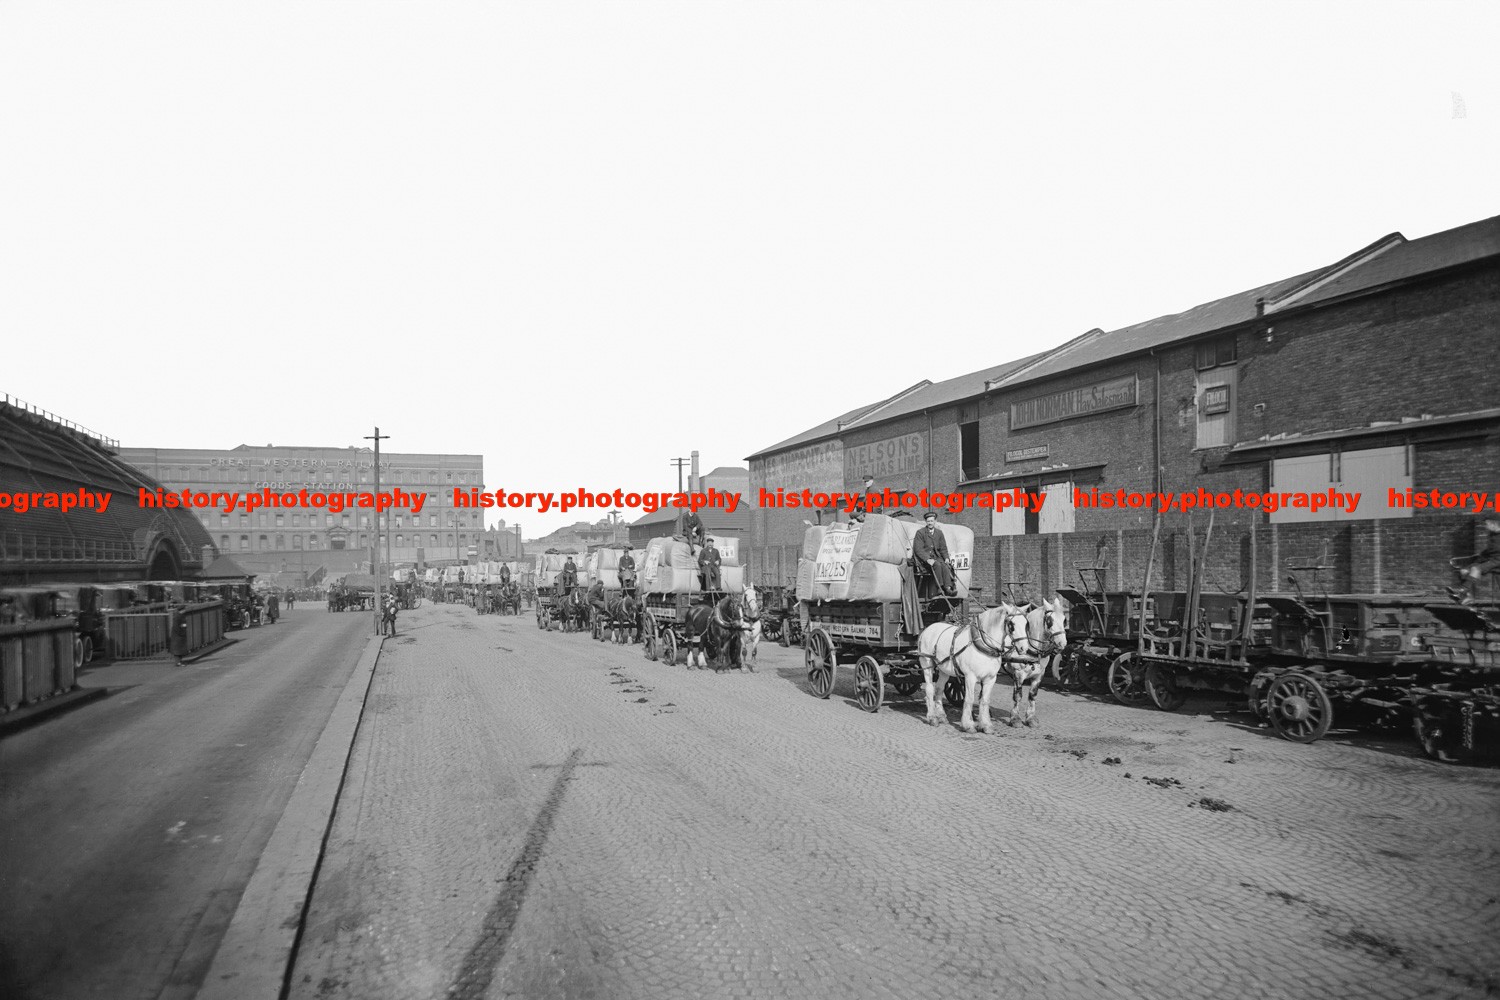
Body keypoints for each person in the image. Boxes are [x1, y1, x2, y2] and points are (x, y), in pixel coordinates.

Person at [1449, 519, 1500, 605]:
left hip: (1498, 561)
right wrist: (1479, 556)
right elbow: (1490, 550)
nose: (1486, 527)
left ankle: (1461, 591)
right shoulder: (1492, 535)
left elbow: (1496, 551)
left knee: (1476, 569)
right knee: (1464, 571)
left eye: (1488, 525)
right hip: (1490, 560)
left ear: (1494, 524)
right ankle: (1469, 597)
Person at [912, 511, 956, 598]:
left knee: (945, 565)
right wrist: (927, 559)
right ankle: (939, 588)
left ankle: (948, 588)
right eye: (928, 521)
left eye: (932, 521)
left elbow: (943, 548)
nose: (930, 523)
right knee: (937, 565)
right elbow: (918, 549)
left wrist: (946, 558)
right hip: (924, 560)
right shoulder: (920, 533)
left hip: (937, 557)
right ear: (926, 522)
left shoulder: (939, 533)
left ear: (935, 521)